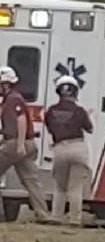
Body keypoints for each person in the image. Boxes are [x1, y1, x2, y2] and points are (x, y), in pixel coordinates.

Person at [0, 66, 55, 223]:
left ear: (6, 84)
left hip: (15, 144)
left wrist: (20, 144)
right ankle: (42, 213)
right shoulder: (12, 99)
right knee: (31, 180)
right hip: (24, 143)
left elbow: (21, 119)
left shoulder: (13, 99)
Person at [44, 75, 93, 226]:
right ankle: (74, 219)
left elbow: (51, 129)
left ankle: (56, 216)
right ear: (75, 92)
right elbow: (89, 128)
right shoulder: (79, 111)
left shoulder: (51, 111)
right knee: (76, 187)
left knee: (60, 187)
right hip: (78, 147)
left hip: (60, 149)